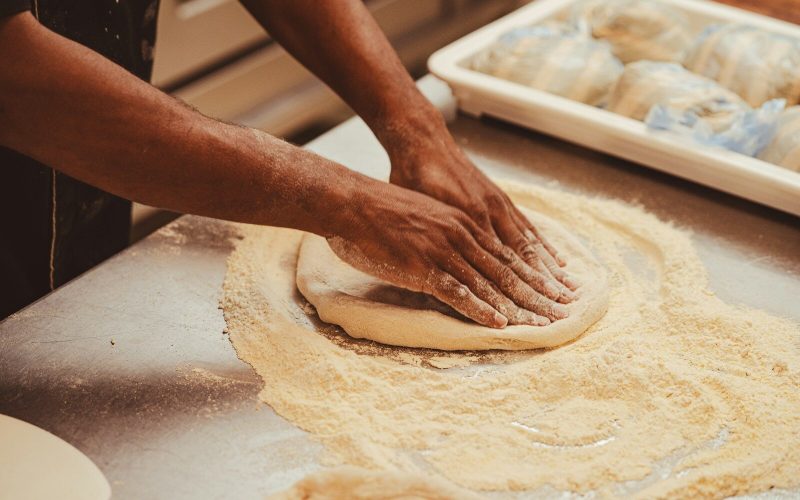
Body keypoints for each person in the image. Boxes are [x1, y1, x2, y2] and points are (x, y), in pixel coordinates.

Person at [0, 0, 576, 326]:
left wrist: (416, 128)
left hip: (77, 198)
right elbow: (15, 78)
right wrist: (348, 203)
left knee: (57, 331)